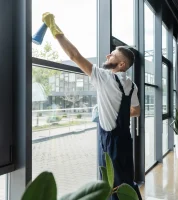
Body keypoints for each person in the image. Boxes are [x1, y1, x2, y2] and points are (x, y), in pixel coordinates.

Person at [42, 13, 142, 199]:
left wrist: (54, 28)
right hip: (125, 139)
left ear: (121, 64)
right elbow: (136, 111)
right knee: (125, 181)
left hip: (111, 141)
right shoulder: (131, 84)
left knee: (113, 185)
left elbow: (74, 55)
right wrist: (116, 114)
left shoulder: (105, 77)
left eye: (112, 54)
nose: (107, 55)